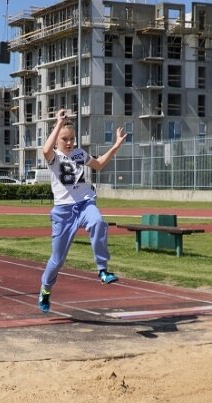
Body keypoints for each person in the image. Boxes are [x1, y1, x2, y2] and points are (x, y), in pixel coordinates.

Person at [37, 108, 128, 313]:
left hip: (85, 203)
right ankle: (46, 288)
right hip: (63, 212)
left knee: (97, 222)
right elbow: (45, 150)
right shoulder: (55, 157)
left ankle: (102, 270)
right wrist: (59, 123)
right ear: (58, 139)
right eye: (65, 139)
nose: (69, 143)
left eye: (72, 139)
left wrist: (115, 146)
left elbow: (99, 165)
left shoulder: (79, 153)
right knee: (57, 259)